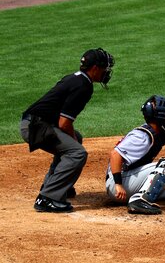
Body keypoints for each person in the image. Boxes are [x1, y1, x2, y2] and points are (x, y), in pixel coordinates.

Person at [20, 48, 115, 212]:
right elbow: (64, 123)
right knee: (77, 152)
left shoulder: (75, 78)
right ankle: (48, 198)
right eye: (104, 68)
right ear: (94, 69)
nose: (106, 72)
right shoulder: (84, 86)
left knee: (75, 139)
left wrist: (73, 138)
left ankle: (56, 185)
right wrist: (73, 140)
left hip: (35, 122)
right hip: (36, 126)